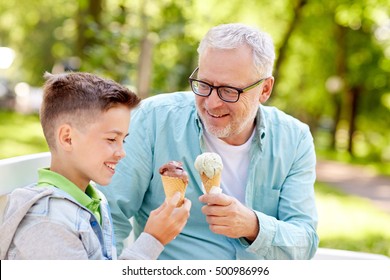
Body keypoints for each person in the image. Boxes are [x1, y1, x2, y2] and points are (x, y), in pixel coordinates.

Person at [99, 23, 319, 260]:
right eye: (204, 85)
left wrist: (253, 226)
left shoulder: (294, 139)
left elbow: (305, 241)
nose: (212, 103)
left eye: (229, 91)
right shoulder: (153, 120)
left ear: (265, 89)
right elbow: (109, 217)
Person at [0, 72, 191, 260]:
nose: (122, 152)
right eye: (111, 139)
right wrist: (153, 239)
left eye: (123, 140)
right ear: (68, 138)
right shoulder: (46, 224)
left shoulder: (94, 198)